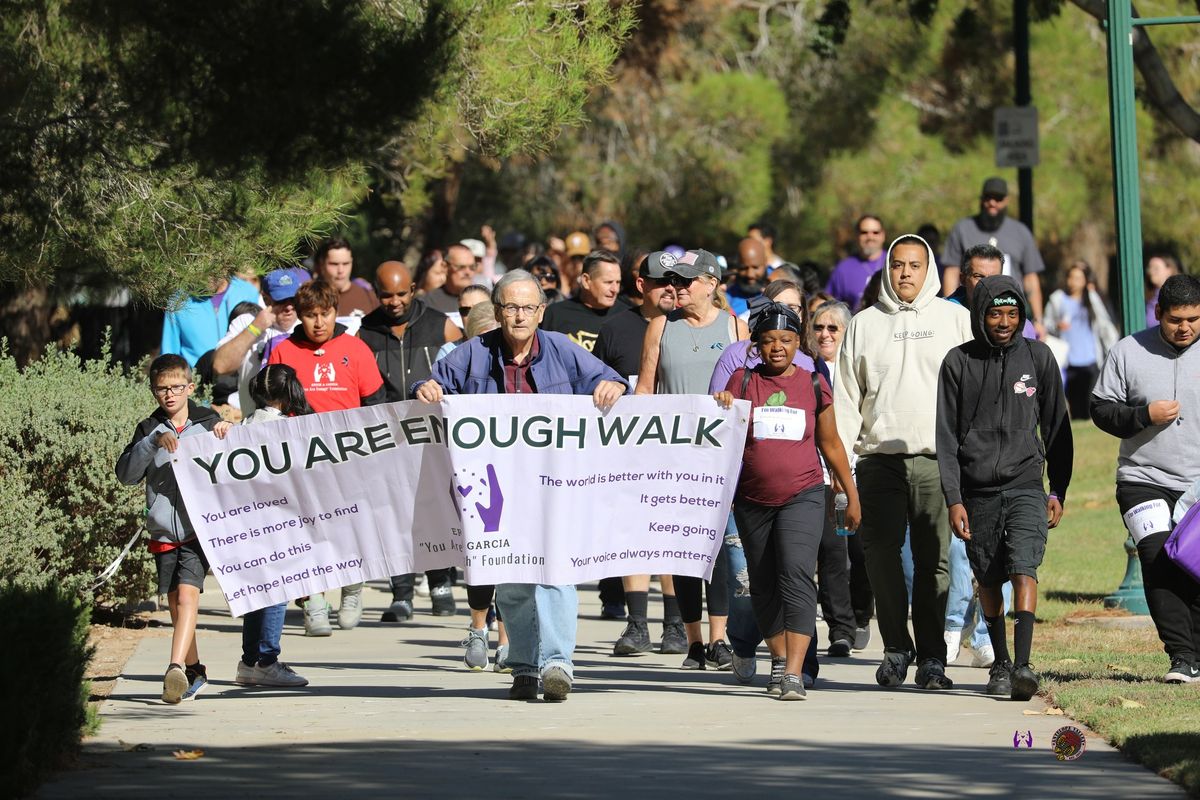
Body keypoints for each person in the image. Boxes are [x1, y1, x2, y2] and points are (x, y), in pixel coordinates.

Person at [414, 269, 628, 701]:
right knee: (510, 580)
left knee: (556, 572)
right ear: (497, 311)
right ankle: (525, 666)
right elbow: (430, 382)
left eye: (527, 307)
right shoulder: (473, 354)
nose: (518, 316)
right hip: (498, 487)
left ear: (541, 312)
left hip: (555, 484)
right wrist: (428, 388)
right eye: (510, 307)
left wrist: (612, 385)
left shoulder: (563, 351)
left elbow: (613, 379)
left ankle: (557, 663)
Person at [834, 234, 973, 690]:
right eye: (898, 265)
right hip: (878, 461)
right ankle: (896, 650)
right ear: (887, 269)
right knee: (879, 558)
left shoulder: (956, 319)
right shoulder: (863, 324)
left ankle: (933, 658)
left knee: (936, 562)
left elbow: (972, 393)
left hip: (938, 461)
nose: (906, 273)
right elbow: (847, 402)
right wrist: (842, 473)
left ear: (928, 268)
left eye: (915, 265)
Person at [714, 302, 861, 699]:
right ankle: (778, 659)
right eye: (768, 341)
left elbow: (830, 442)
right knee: (761, 582)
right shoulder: (742, 382)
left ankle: (794, 672)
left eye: (786, 340)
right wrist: (722, 407)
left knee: (796, 574)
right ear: (756, 345)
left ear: (799, 343)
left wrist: (850, 492)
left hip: (805, 494)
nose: (777, 347)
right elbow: (719, 439)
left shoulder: (813, 383)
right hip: (751, 499)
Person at [937, 275, 1073, 700]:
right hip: (977, 492)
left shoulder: (1039, 358)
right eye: (995, 313)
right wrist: (954, 498)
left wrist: (1058, 489)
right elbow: (945, 436)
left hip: (1027, 482)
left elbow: (1057, 428)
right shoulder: (958, 362)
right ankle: (1001, 662)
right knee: (989, 578)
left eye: (1012, 314)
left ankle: (1025, 665)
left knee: (1023, 566)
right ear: (981, 315)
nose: (1004, 321)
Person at [636, 249, 750, 670]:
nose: (677, 288)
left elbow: (746, 386)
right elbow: (645, 390)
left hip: (721, 456)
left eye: (686, 281)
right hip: (674, 454)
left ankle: (720, 638)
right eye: (674, 282)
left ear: (711, 284)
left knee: (717, 547)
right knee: (680, 548)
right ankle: (693, 641)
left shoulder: (737, 326)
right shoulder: (660, 326)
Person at [1091, 273, 1200, 684]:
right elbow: (1101, 410)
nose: (1184, 327)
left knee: (1195, 564)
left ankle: (1197, 653)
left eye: (1193, 318)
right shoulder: (1127, 351)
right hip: (1143, 477)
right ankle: (1182, 657)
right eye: (1175, 319)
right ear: (1159, 314)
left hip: (1198, 484)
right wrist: (1142, 416)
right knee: (1157, 556)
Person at [267, 279, 386, 635]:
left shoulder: (355, 348)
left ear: (337, 311)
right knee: (304, 531)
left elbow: (375, 403)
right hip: (300, 458)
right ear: (299, 316)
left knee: (348, 526)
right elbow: (271, 405)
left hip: (348, 456)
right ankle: (313, 601)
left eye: (325, 314)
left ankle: (351, 588)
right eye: (310, 315)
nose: (318, 322)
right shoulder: (283, 351)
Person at [115, 354, 232, 703]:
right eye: (161, 389)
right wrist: (152, 443)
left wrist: (228, 435)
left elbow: (236, 466)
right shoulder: (148, 428)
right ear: (153, 392)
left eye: (176, 387)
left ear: (190, 387)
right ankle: (195, 670)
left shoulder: (209, 422)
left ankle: (174, 669)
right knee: (175, 605)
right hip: (164, 530)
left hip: (201, 529)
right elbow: (126, 476)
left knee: (187, 595)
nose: (169, 395)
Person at [358, 261, 463, 622]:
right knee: (394, 515)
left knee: (436, 508)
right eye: (386, 294)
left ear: (414, 288)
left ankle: (440, 584)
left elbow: (464, 372)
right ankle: (401, 594)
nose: (394, 301)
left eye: (401, 293)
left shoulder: (441, 324)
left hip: (435, 436)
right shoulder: (366, 331)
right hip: (387, 437)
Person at [595, 251, 686, 655]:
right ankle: (636, 626)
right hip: (628, 453)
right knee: (633, 535)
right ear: (641, 285)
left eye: (677, 281)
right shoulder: (616, 329)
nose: (671, 288)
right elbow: (593, 384)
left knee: (669, 538)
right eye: (662, 281)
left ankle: (675, 625)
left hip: (678, 453)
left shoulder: (688, 327)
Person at [235, 364, 313, 689]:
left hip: (247, 520)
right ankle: (267, 660)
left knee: (258, 591)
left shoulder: (242, 427)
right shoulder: (288, 431)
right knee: (278, 592)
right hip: (279, 521)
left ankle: (249, 660)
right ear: (289, 392)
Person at [810, 300, 874, 652]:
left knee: (862, 553)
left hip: (860, 471)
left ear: (847, 332)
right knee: (832, 553)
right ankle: (841, 629)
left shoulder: (860, 369)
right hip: (821, 476)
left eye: (833, 328)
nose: (825, 334)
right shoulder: (808, 370)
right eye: (819, 327)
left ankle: (862, 612)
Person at [941, 178, 1047, 337]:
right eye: (988, 197)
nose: (992, 203)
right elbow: (952, 272)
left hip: (1010, 315)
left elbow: (1031, 278)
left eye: (998, 199)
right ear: (981, 199)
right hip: (968, 314)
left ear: (1007, 201)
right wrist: (949, 310)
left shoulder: (1021, 232)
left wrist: (1038, 320)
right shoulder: (962, 229)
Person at [211, 267, 310, 416]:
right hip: (257, 427)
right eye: (282, 300)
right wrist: (256, 328)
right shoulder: (247, 322)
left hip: (300, 424)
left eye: (293, 300)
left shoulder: (309, 325)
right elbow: (220, 366)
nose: (289, 307)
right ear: (265, 299)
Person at [1043, 260, 1119, 419]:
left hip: (1090, 358)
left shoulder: (1091, 298)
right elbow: (1046, 325)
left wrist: (1112, 348)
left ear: (1085, 281)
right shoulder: (1057, 299)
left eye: (1078, 278)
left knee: (1090, 404)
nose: (1073, 281)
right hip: (1068, 360)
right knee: (1075, 406)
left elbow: (1104, 324)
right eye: (1071, 277)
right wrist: (1057, 326)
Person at [161, 274, 261, 368]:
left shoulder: (248, 292)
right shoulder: (179, 301)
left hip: (239, 381)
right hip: (195, 381)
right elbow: (168, 353)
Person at [540, 249, 623, 354]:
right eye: (608, 282)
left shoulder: (627, 316)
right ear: (586, 280)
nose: (615, 289)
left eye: (618, 282)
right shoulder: (555, 315)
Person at [826, 215, 887, 310]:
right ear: (856, 236)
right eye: (864, 232)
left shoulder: (895, 263)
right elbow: (830, 307)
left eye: (875, 232)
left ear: (883, 235)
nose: (870, 237)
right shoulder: (843, 269)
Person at [314, 237, 379, 317]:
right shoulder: (310, 298)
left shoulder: (369, 296)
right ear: (321, 264)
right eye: (334, 264)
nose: (341, 270)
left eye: (346, 263)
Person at [422, 243, 478, 317]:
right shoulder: (427, 303)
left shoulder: (483, 302)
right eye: (461, 267)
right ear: (445, 267)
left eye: (472, 267)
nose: (468, 272)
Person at [725, 238, 769, 317]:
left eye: (755, 267)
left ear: (765, 263)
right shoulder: (725, 298)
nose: (750, 275)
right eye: (744, 268)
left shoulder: (777, 293)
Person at [1144, 253, 1182, 331]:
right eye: (1149, 268)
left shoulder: (1180, 295)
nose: (1151, 272)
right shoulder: (1148, 297)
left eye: (1156, 268)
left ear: (1169, 270)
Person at [562, 231, 592, 296]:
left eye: (581, 257)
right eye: (574, 258)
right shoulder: (560, 282)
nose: (577, 262)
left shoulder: (593, 282)